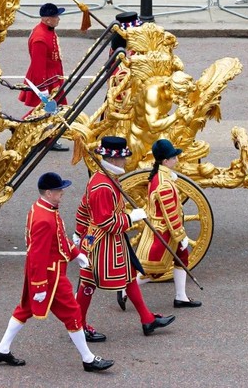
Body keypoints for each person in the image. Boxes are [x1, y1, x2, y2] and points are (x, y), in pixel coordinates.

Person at [0, 172, 112, 372]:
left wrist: (76, 254)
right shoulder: (44, 219)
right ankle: (88, 359)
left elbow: (60, 237)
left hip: (48, 273)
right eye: (58, 190)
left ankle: (2, 349)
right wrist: (39, 286)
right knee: (73, 313)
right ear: (48, 192)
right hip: (51, 277)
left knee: (24, 310)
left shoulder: (43, 209)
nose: (62, 193)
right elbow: (37, 255)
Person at [74, 136, 175, 336]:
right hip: (103, 242)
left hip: (99, 239)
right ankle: (78, 325)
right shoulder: (103, 186)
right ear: (113, 160)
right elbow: (107, 222)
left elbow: (83, 208)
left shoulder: (102, 177)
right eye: (122, 159)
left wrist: (79, 232)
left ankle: (147, 319)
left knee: (127, 275)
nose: (125, 161)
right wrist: (131, 218)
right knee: (89, 283)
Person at [131, 139, 202, 308]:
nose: (176, 159)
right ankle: (126, 289)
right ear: (165, 161)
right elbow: (170, 214)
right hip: (165, 230)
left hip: (164, 228)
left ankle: (181, 296)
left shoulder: (161, 176)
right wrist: (181, 235)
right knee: (154, 271)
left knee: (182, 258)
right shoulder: (164, 183)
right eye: (173, 157)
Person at [19, 3, 68, 150]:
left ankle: (41, 135)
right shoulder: (40, 38)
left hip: (53, 76)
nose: (58, 19)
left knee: (47, 110)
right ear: (47, 20)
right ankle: (45, 138)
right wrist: (44, 90)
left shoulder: (47, 30)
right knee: (48, 110)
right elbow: (38, 66)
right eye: (55, 17)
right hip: (45, 79)